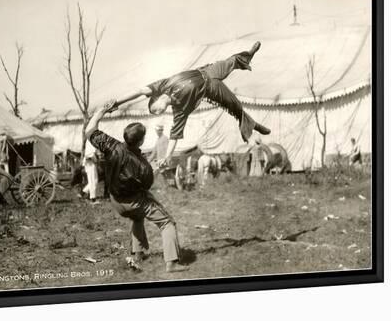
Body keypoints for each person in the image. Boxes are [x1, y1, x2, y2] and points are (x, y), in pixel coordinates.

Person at [112, 41, 270, 167]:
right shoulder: (179, 109)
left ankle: (249, 54)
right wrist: (167, 157)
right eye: (157, 113)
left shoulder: (162, 85)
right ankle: (253, 126)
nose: (159, 112)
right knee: (236, 107)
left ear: (156, 98)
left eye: (156, 110)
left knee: (232, 60)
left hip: (207, 71)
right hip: (211, 89)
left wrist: (118, 102)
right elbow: (174, 136)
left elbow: (140, 91)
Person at [86, 100, 189, 273]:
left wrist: (102, 109)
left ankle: (137, 254)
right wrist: (157, 169)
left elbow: (89, 129)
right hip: (133, 202)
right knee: (168, 223)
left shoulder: (110, 145)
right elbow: (147, 184)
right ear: (140, 142)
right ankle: (171, 263)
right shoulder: (143, 165)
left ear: (125, 136)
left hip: (115, 201)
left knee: (137, 217)